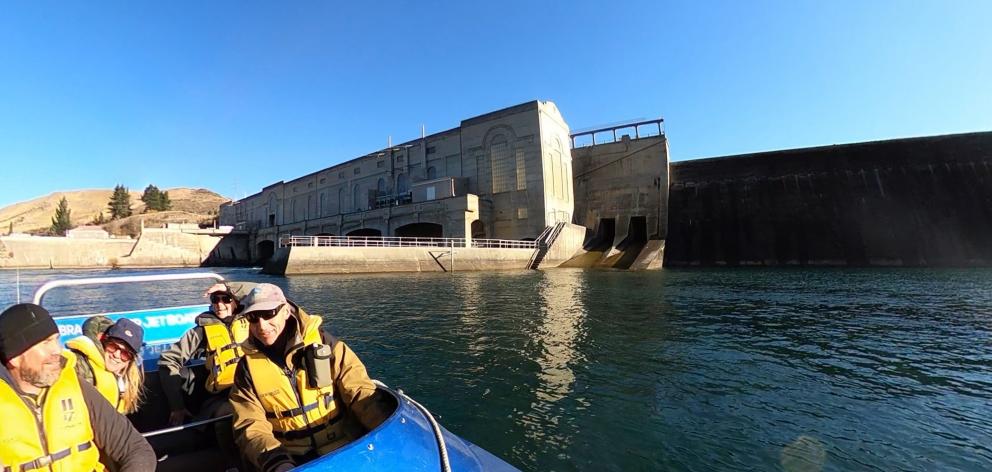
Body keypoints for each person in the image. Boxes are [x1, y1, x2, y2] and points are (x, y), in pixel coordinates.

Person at [229, 283, 390, 472]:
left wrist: (387, 433)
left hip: (346, 448)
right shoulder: (246, 369)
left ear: (286, 311)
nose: (262, 325)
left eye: (269, 313)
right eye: (253, 317)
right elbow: (250, 424)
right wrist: (277, 462)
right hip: (290, 461)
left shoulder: (328, 345)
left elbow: (360, 394)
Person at [0, 303, 156, 472]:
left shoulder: (74, 385)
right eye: (46, 343)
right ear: (14, 357)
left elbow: (136, 449)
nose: (57, 350)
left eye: (56, 340)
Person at [158, 282, 251, 426]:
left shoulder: (254, 319)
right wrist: (177, 406)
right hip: (225, 393)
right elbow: (169, 359)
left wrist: (228, 286)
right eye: (215, 300)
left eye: (226, 299)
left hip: (253, 386)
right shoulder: (201, 331)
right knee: (228, 414)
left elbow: (266, 292)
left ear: (236, 301)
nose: (219, 304)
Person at [65, 316, 146, 414]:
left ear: (130, 360)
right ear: (103, 342)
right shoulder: (79, 364)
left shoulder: (125, 380)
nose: (116, 355)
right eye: (113, 346)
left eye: (125, 354)